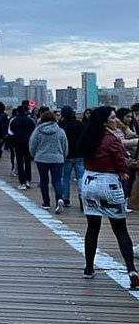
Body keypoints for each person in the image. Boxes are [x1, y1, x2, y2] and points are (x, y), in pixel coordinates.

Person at [78, 106, 139, 288]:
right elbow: (120, 163)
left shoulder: (88, 137)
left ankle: (88, 268)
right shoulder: (111, 140)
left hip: (89, 182)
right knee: (120, 229)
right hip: (109, 183)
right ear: (105, 121)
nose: (116, 121)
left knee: (92, 228)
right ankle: (132, 270)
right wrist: (123, 174)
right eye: (113, 118)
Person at [29, 111, 68, 212]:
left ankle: (46, 203)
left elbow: (32, 144)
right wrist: (63, 156)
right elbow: (65, 145)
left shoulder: (38, 130)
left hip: (42, 158)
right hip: (57, 158)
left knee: (44, 180)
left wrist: (35, 155)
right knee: (57, 180)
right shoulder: (60, 131)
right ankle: (59, 198)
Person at [59, 106, 85, 211]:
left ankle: (66, 199)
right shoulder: (79, 124)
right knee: (81, 177)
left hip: (66, 154)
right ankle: (81, 197)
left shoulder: (60, 126)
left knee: (65, 178)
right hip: (79, 154)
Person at [10, 105, 36, 190]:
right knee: (28, 161)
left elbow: (11, 131)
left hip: (17, 142)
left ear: (17, 112)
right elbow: (34, 131)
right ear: (26, 111)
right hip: (28, 142)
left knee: (20, 161)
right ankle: (28, 180)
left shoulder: (14, 120)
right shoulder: (30, 121)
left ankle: (22, 182)